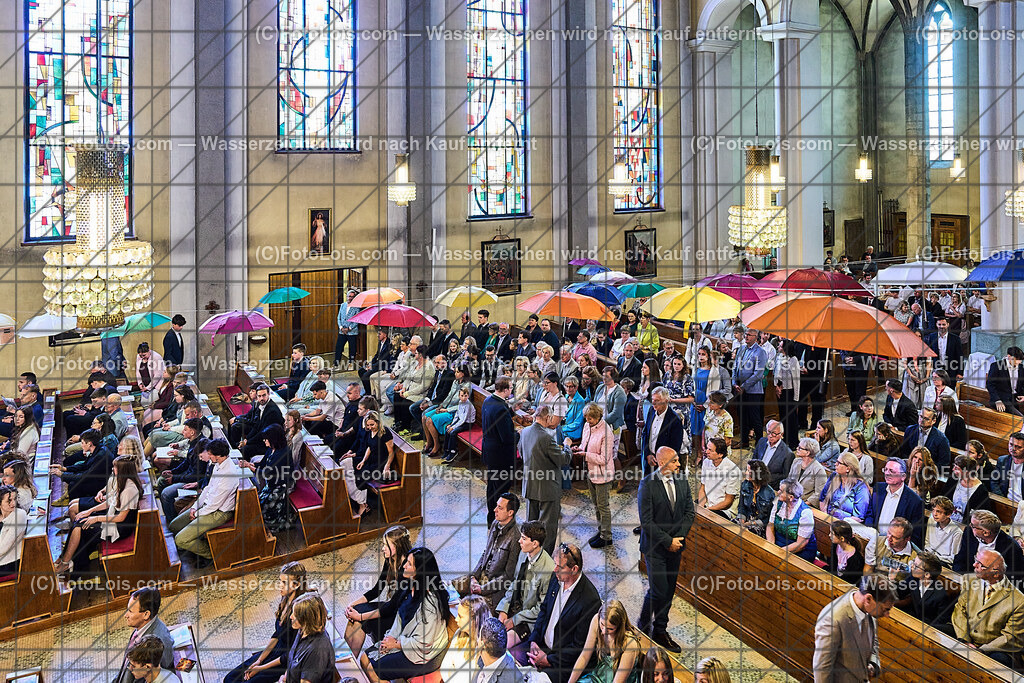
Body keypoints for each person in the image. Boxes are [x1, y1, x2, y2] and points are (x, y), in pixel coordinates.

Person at [512, 543, 602, 683]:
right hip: (541, 647)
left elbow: (578, 647)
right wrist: (534, 641)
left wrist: (548, 660)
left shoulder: (590, 600)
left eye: (560, 567)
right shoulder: (557, 578)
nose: (554, 569)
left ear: (574, 569)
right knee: (511, 662)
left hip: (562, 662)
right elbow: (544, 610)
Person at [363, 548, 453, 682]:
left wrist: (396, 644)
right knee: (364, 659)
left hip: (424, 654)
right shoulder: (410, 584)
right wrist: (390, 638)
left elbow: (424, 643)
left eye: (409, 564)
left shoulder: (430, 605)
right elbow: (399, 617)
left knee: (373, 670)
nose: (404, 565)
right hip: (406, 640)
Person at [637, 447, 695, 653]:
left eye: (678, 460)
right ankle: (643, 624)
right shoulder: (647, 485)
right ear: (661, 463)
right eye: (674, 461)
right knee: (659, 589)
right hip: (655, 548)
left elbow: (689, 512)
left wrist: (678, 538)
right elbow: (646, 521)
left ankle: (660, 630)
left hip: (676, 546)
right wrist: (667, 541)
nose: (679, 464)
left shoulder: (682, 481)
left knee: (669, 589)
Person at [53, 454, 142, 574]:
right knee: (79, 522)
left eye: (115, 467)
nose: (113, 469)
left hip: (121, 527)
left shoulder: (129, 490)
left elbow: (121, 517)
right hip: (113, 515)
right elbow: (110, 502)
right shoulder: (122, 480)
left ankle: (66, 563)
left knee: (79, 526)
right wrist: (89, 512)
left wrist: (96, 518)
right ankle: (67, 558)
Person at [224, 561, 311, 683]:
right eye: (280, 581)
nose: (280, 585)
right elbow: (277, 635)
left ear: (296, 585)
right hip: (274, 651)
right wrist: (259, 660)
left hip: (283, 661)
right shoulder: (285, 600)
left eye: (284, 583)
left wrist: (261, 668)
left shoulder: (298, 613)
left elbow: (290, 655)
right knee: (229, 679)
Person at [169, 438, 241, 568]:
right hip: (208, 505)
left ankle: (211, 554)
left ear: (219, 455)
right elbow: (208, 488)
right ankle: (195, 544)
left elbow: (214, 505)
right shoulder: (218, 464)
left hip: (219, 512)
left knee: (180, 540)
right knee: (174, 526)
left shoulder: (228, 473)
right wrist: (195, 507)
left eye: (210, 454)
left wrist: (197, 514)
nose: (209, 456)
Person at [812, 575, 897, 683]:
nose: (887, 615)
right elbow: (822, 668)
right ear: (868, 599)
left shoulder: (869, 611)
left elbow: (873, 642)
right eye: (885, 609)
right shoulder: (833, 619)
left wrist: (874, 664)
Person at [344, 526, 413, 655]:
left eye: (386, 545)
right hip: (391, 608)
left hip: (401, 617)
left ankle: (350, 659)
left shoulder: (407, 570)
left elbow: (391, 607)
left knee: (359, 618)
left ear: (397, 546)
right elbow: (377, 589)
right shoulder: (391, 560)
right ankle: (347, 658)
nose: (383, 548)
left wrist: (360, 616)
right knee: (355, 612)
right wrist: (352, 604)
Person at [950, 550, 1024, 667]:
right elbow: (959, 611)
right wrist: (964, 640)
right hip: (966, 636)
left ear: (996, 574)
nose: (974, 565)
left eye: (980, 564)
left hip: (994, 648)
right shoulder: (969, 580)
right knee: (935, 632)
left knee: (996, 662)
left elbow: (1010, 637)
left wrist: (982, 650)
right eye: (976, 559)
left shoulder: (1019, 600)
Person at [453, 492, 522, 609]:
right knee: (451, 588)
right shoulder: (495, 523)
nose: (495, 510)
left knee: (471, 608)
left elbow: (508, 576)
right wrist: (474, 577)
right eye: (496, 506)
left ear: (510, 513)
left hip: (494, 588)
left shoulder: (515, 538)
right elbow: (486, 553)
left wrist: (482, 589)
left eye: (500, 508)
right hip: (481, 577)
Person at [521, 406, 568, 555]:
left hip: (530, 485)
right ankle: (544, 558)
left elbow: (522, 453)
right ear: (548, 418)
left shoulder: (525, 432)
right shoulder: (546, 437)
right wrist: (567, 446)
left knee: (530, 525)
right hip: (547, 488)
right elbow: (562, 459)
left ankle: (530, 555)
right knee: (547, 527)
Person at [566, 599, 642, 683]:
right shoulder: (596, 619)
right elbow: (584, 656)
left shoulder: (629, 644)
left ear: (619, 627)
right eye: (602, 624)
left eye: (610, 629)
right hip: (600, 675)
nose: (604, 631)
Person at [241, 424, 296, 533]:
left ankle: (275, 526)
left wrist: (251, 468)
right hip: (271, 483)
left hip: (281, 485)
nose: (264, 441)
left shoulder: (283, 453)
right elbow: (262, 464)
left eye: (266, 439)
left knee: (264, 507)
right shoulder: (271, 449)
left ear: (274, 439)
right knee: (257, 503)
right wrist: (250, 464)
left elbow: (268, 474)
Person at [575, 403, 616, 548]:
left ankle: (607, 537)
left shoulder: (606, 432)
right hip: (591, 471)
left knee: (603, 506)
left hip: (603, 474)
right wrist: (579, 448)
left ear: (598, 416)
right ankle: (601, 531)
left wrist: (585, 455)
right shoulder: (588, 426)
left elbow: (604, 459)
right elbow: (585, 443)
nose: (587, 421)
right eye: (586, 418)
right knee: (596, 504)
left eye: (590, 418)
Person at [115, 588, 175, 683]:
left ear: (146, 614)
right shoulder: (143, 626)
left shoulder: (158, 644)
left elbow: (146, 677)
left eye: (130, 611)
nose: (126, 615)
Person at [953, 509, 1024, 585]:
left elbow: (1013, 578)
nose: (970, 526)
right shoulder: (969, 532)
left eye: (973, 526)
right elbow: (960, 559)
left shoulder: (1012, 548)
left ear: (986, 533)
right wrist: (960, 579)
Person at [483, 377, 519, 527]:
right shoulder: (500, 409)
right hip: (501, 456)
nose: (511, 390)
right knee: (501, 488)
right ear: (505, 390)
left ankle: (491, 517)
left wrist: (512, 410)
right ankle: (499, 520)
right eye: (510, 388)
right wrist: (519, 434)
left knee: (492, 486)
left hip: (490, 452)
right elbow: (507, 438)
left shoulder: (488, 400)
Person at [865, 457, 925, 545]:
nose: (887, 473)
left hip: (895, 545)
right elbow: (870, 513)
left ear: (903, 476)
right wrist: (870, 531)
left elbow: (914, 533)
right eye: (885, 470)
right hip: (872, 538)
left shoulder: (915, 501)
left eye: (892, 471)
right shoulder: (878, 488)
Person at [282, 593, 335, 683]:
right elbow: (292, 658)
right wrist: (285, 677)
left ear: (307, 619)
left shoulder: (316, 651)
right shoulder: (303, 630)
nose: (291, 617)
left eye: (295, 615)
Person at [439, 594, 491, 683]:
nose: (456, 619)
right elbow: (445, 665)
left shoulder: (484, 649)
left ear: (473, 621)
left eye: (460, 616)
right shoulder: (459, 633)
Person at [765, 478, 817, 563]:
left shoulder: (805, 513)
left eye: (781, 491)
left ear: (791, 497)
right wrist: (771, 545)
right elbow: (770, 525)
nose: (778, 492)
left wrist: (779, 552)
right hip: (778, 543)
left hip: (799, 551)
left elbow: (801, 544)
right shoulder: (778, 502)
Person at [732, 328, 768, 449]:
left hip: (753, 391)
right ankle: (744, 441)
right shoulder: (741, 349)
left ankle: (760, 443)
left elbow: (758, 374)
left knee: (755, 418)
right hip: (739, 389)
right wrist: (734, 382)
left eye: (749, 335)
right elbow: (735, 367)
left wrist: (744, 386)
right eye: (746, 334)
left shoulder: (760, 352)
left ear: (756, 337)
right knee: (742, 416)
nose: (746, 336)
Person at [906, 551, 956, 626]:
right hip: (911, 620)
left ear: (927, 575)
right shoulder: (913, 579)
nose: (912, 567)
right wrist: (891, 579)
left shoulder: (940, 595)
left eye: (916, 566)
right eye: (913, 562)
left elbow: (941, 621)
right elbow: (898, 592)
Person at [818, 453, 870, 522]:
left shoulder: (860, 487)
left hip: (846, 524)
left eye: (839, 463)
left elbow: (859, 517)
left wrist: (839, 524)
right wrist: (825, 517)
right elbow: (822, 499)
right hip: (827, 519)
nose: (835, 464)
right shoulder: (834, 476)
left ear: (848, 468)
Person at [698, 437, 741, 517]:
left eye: (710, 450)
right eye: (707, 448)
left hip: (724, 510)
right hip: (707, 504)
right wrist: (700, 506)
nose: (706, 452)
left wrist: (708, 510)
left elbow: (728, 502)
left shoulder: (733, 471)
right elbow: (702, 488)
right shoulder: (706, 462)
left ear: (720, 454)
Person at [944, 454, 991, 525]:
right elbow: (943, 498)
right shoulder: (953, 480)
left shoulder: (981, 491)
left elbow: (980, 515)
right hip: (946, 519)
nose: (953, 469)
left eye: (956, 468)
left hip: (964, 525)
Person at [735, 459, 774, 536]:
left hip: (759, 524)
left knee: (749, 532)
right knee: (732, 526)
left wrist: (750, 523)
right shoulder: (745, 484)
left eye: (748, 471)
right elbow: (741, 507)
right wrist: (742, 520)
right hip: (746, 519)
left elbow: (767, 519)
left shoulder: (769, 493)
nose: (746, 473)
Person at [751, 420, 794, 489]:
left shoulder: (788, 454)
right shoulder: (762, 441)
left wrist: (764, 478)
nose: (770, 436)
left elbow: (785, 476)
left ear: (781, 434)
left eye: (774, 433)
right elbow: (753, 459)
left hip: (770, 485)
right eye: (769, 432)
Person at [924, 496, 963, 567]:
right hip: (930, 557)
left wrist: (935, 557)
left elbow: (953, 558)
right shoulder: (932, 519)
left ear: (948, 514)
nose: (935, 514)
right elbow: (927, 543)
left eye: (938, 511)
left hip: (944, 562)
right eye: (933, 510)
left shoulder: (956, 533)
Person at [788, 438, 828, 504]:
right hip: (790, 499)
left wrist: (805, 504)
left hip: (805, 503)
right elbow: (789, 481)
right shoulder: (796, 461)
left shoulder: (819, 470)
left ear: (807, 453)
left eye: (800, 448)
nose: (797, 448)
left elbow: (819, 493)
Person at [987, 346, 1024, 415]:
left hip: (1014, 399)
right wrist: (997, 400)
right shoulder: (996, 366)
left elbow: (1022, 383)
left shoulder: (1020, 367)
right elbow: (990, 385)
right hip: (1001, 399)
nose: (1017, 364)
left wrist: (1022, 394)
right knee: (1020, 418)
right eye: (1016, 361)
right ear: (1009, 356)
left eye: (1019, 362)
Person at [828, 519, 865, 586]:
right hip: (836, 579)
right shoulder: (835, 545)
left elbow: (851, 580)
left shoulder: (855, 558)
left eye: (832, 534)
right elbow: (833, 565)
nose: (829, 535)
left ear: (842, 539)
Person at [0, 485, 26, 574]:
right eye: (9, 501)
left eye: (14, 499)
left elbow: (3, 548)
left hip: (8, 563)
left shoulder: (19, 515)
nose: (13, 504)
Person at [994, 432, 1024, 503]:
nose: (1013, 449)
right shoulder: (1002, 460)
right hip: (1005, 500)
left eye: (1018, 447)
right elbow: (994, 481)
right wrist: (1001, 499)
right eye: (1011, 444)